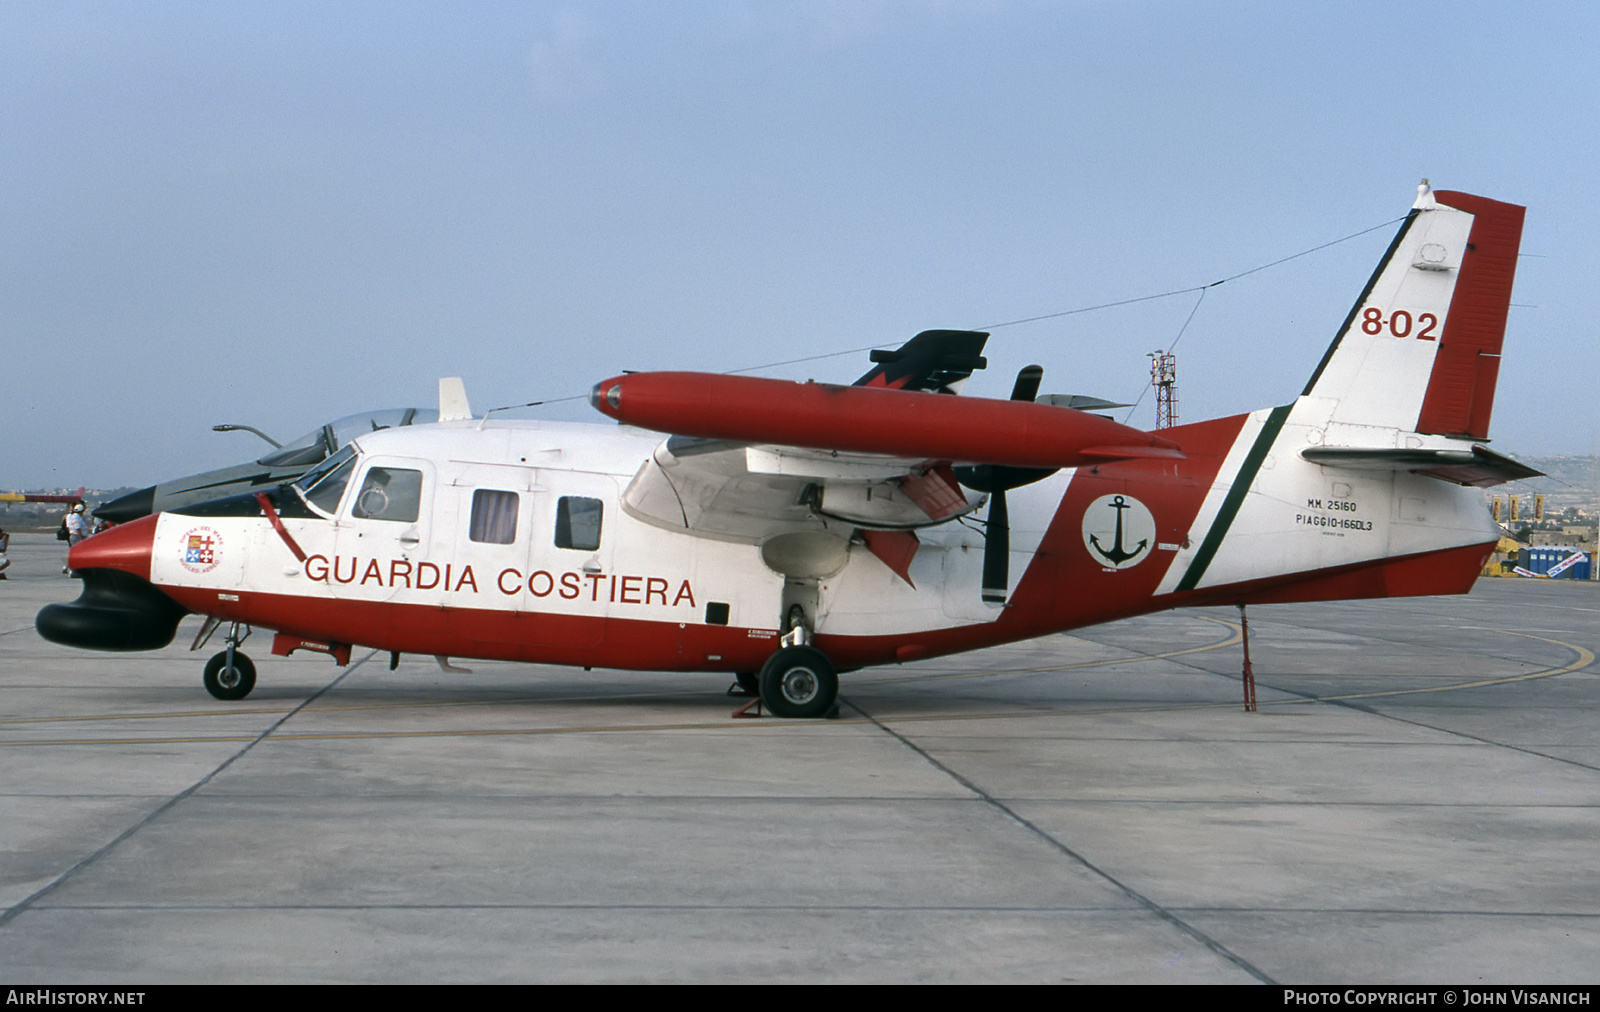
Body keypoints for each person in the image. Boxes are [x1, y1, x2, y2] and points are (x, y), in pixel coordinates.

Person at [64, 502, 90, 576]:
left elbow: (68, 527)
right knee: (78, 554)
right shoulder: (77, 517)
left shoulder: (69, 516)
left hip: (72, 535)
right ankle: (73, 569)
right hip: (78, 536)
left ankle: (68, 566)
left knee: (73, 553)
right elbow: (78, 528)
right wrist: (81, 539)